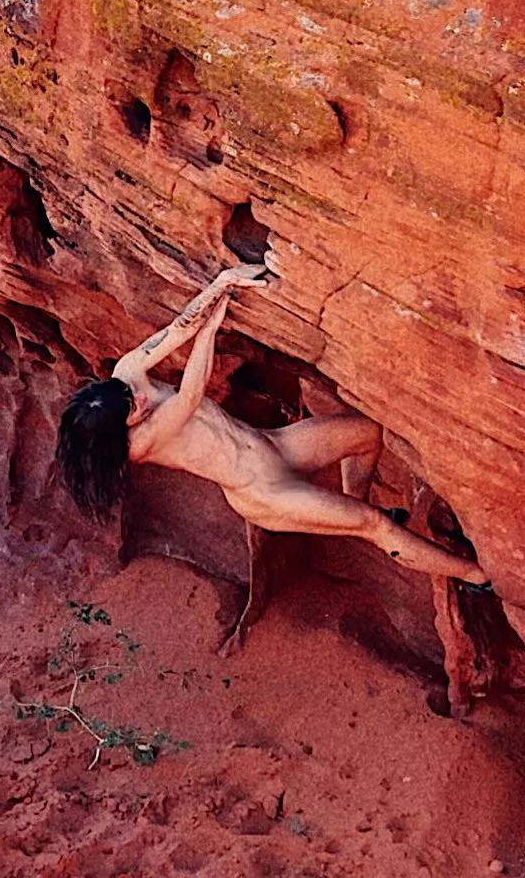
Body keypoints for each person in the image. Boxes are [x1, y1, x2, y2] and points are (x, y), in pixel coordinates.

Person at [56, 264, 490, 653]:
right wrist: (211, 332)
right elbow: (189, 396)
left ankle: (354, 503)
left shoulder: (127, 377)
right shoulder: (138, 444)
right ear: (117, 435)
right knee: (377, 526)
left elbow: (175, 330)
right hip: (264, 492)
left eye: (130, 396)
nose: (139, 402)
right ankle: (477, 577)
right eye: (131, 412)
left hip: (275, 446)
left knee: (368, 435)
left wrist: (221, 283)